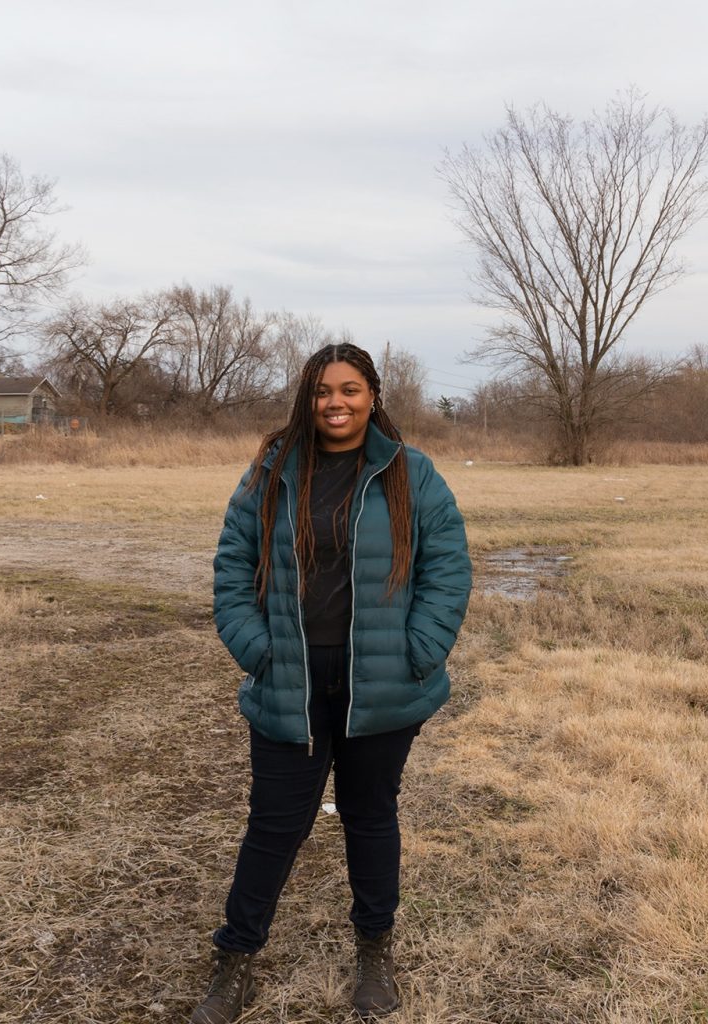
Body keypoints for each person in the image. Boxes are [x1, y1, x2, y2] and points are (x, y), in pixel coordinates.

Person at [191, 342, 472, 1022]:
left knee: (370, 817)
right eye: (322, 391)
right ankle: (236, 959)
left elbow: (448, 569)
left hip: (382, 682)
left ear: (373, 396)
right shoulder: (272, 471)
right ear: (307, 399)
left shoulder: (412, 474)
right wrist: (258, 652)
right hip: (290, 677)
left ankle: (375, 951)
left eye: (349, 389)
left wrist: (418, 652)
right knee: (274, 824)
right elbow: (233, 568)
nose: (335, 402)